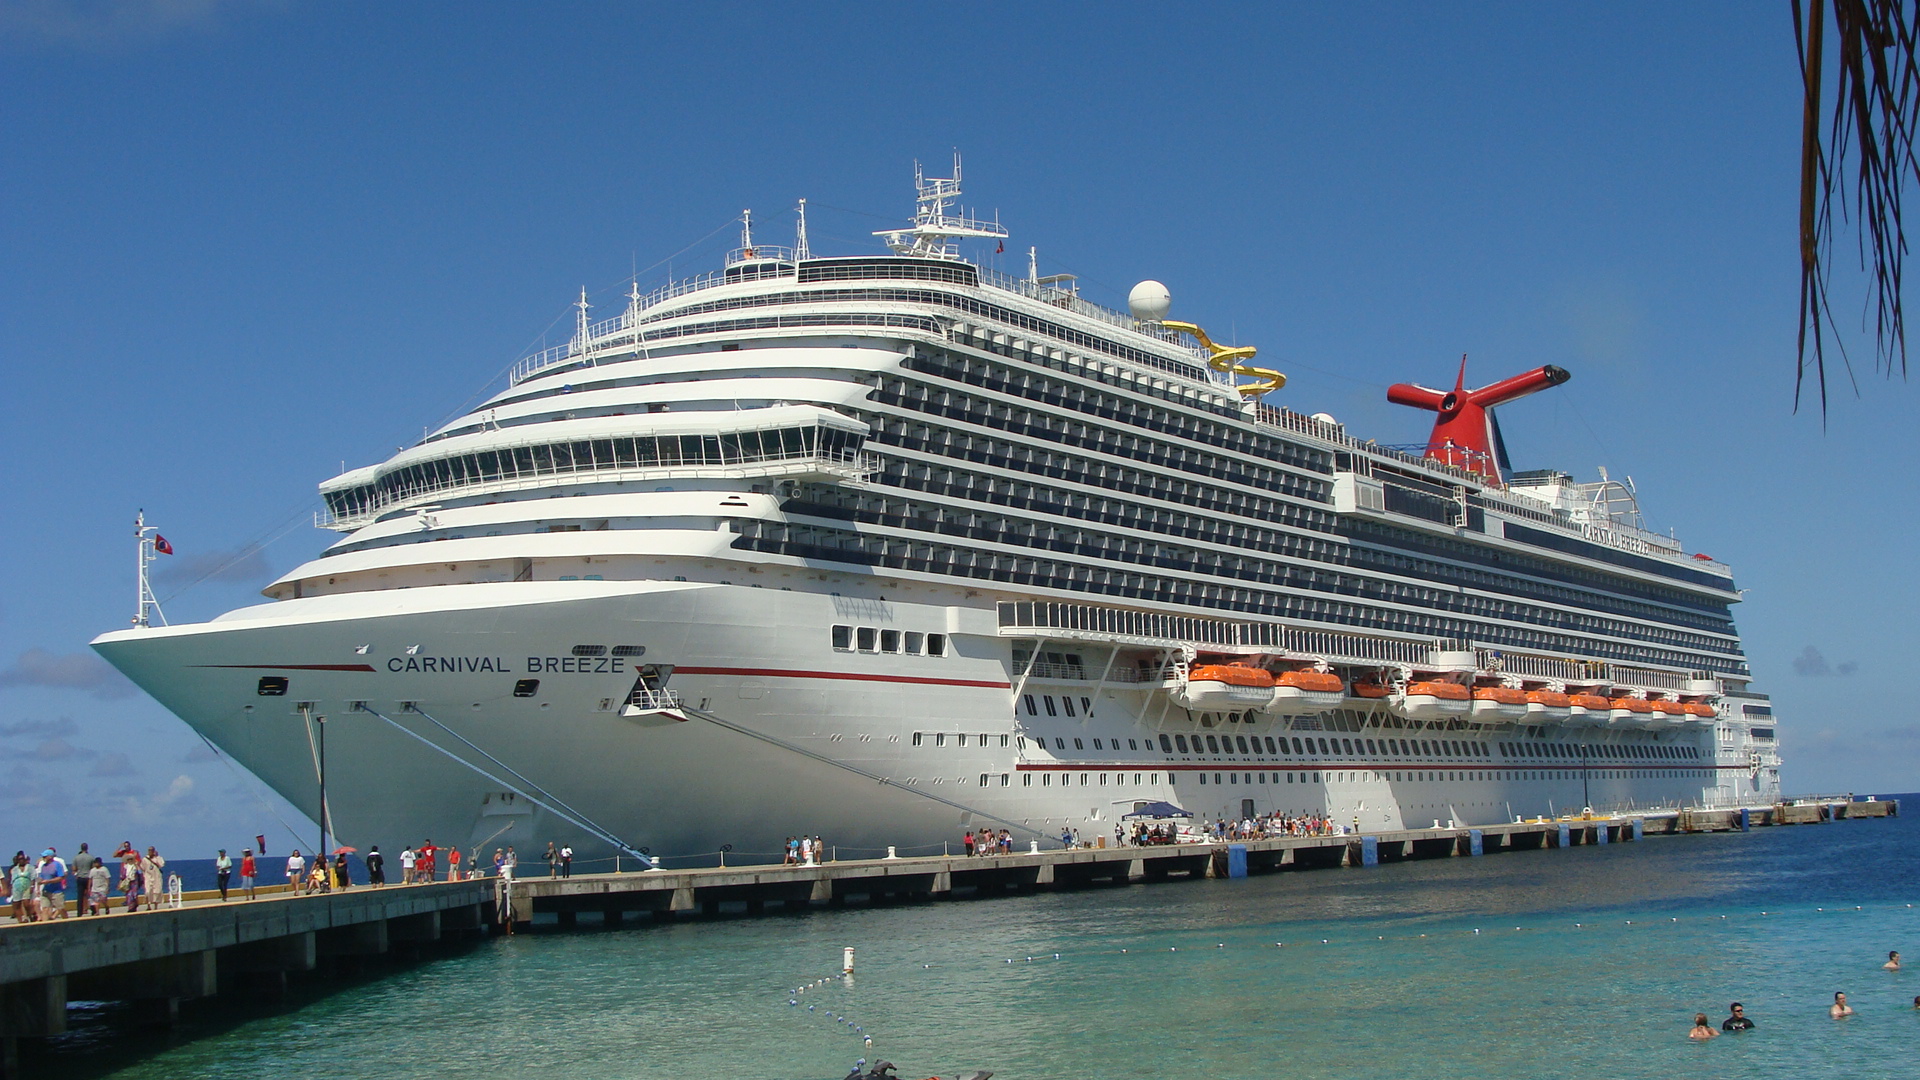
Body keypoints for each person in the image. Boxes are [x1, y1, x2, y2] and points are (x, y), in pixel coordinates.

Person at [38, 848, 68, 919]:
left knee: (61, 908)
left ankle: (66, 921)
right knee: (45, 909)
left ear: (50, 857)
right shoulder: (43, 866)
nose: (43, 858)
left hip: (56, 891)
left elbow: (61, 877)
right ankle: (45, 925)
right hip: (46, 891)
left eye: (45, 856)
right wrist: (39, 882)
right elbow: (41, 877)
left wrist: (48, 881)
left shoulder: (57, 865)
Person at [9, 853, 33, 923]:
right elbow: (12, 879)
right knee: (17, 904)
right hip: (16, 887)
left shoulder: (30, 867)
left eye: (22, 859)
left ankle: (30, 915)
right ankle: (20, 920)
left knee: (26, 903)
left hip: (26, 886)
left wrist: (32, 886)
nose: (21, 860)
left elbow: (33, 877)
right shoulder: (14, 869)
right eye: (19, 859)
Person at [72, 844, 94, 915]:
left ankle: (79, 912)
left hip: (80, 877)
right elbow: (93, 868)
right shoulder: (91, 858)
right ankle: (93, 909)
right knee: (90, 894)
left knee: (80, 895)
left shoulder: (76, 858)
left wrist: (77, 874)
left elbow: (74, 869)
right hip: (88, 877)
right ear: (87, 848)